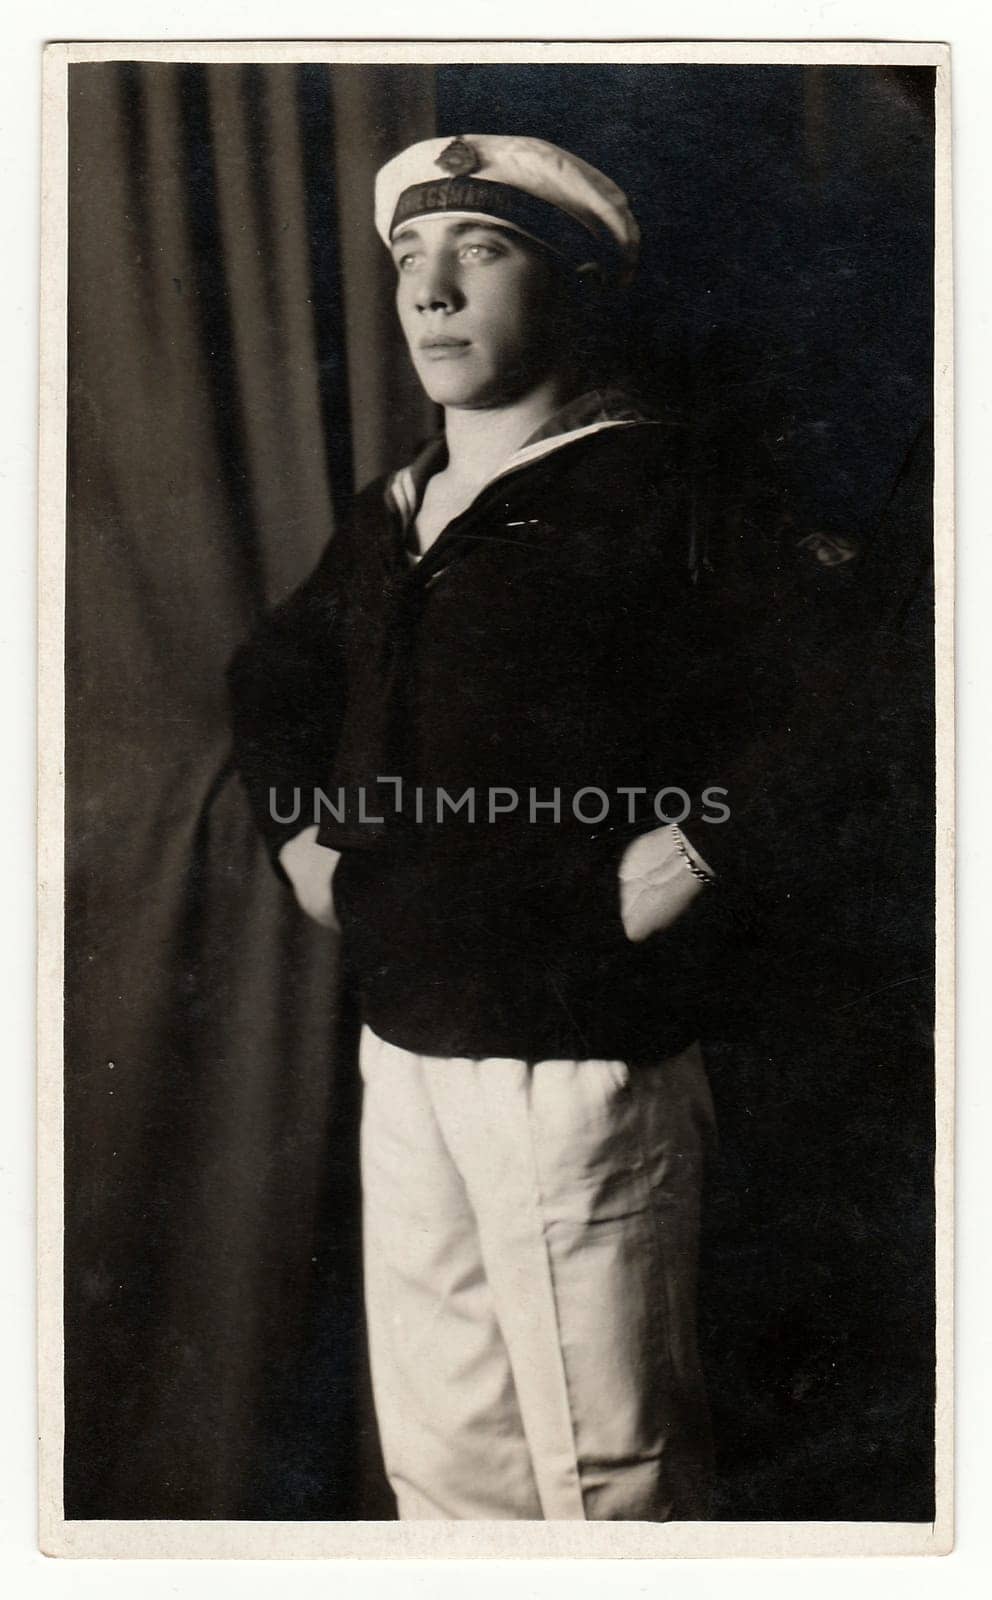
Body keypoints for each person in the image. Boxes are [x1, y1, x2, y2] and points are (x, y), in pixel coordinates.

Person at [227, 133, 765, 1521]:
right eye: (414, 258)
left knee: (611, 1462)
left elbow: (861, 693)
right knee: (450, 1447)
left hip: (579, 1051)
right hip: (408, 1031)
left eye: (484, 252)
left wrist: (701, 844)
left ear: (572, 284)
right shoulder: (397, 512)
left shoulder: (660, 486)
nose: (434, 291)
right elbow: (274, 682)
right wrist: (302, 837)